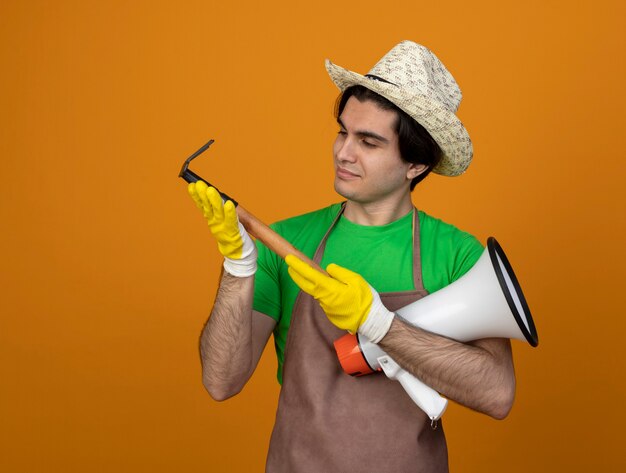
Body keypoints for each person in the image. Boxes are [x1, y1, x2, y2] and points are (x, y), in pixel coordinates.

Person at [188, 41, 516, 473]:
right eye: (343, 131)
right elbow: (220, 381)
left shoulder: (457, 256)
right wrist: (237, 267)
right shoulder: (285, 239)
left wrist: (380, 325)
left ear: (415, 165)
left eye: (369, 142)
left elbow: (497, 393)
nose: (343, 152)